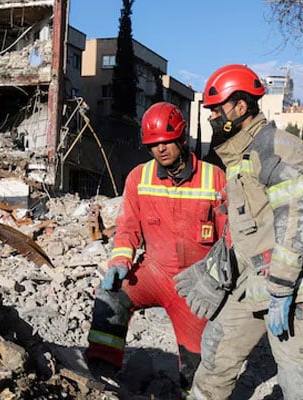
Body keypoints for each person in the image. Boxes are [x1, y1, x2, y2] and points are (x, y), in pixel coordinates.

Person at [176, 64, 303, 399]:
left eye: (215, 110)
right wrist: (216, 270)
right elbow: (251, 228)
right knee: (217, 352)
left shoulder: (276, 148)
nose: (211, 117)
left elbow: (297, 214)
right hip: (256, 282)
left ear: (240, 108)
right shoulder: (241, 158)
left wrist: (281, 287)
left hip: (297, 291)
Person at [84, 102, 227, 391]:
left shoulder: (214, 178)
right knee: (111, 295)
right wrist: (119, 262)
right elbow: (128, 227)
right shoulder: (139, 177)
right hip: (154, 272)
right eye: (153, 144)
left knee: (196, 370)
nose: (161, 149)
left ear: (182, 138)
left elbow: (228, 238)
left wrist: (220, 283)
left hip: (194, 283)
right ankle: (102, 373)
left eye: (166, 142)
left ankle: (189, 389)